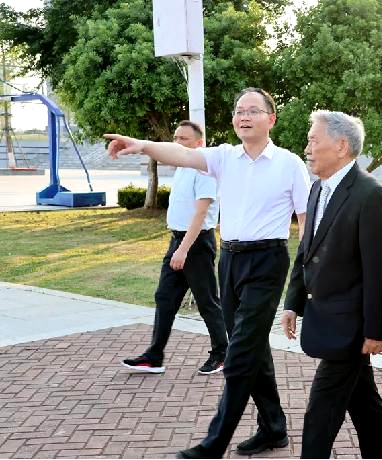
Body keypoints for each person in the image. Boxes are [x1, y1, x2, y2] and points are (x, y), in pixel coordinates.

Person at [106, 87, 311, 458]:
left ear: (271, 118)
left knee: (239, 354)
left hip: (268, 261)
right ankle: (273, 428)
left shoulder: (289, 164)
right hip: (229, 260)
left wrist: (305, 281)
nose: (243, 116)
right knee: (252, 348)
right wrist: (142, 145)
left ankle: (213, 444)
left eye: (252, 110)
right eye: (239, 110)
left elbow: (306, 224)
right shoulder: (224, 157)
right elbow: (183, 154)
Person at [281, 110, 382, 459]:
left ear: (341, 146)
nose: (307, 149)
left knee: (321, 411)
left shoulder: (370, 195)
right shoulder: (318, 187)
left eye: (313, 140)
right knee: (365, 405)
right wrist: (293, 301)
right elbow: (306, 250)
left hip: (350, 327)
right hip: (326, 317)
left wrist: (376, 330)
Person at [121, 120, 227, 375]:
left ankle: (222, 353)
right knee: (165, 297)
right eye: (176, 138)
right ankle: (154, 356)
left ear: (199, 143)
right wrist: (177, 247)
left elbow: (201, 214)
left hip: (196, 244)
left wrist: (183, 250)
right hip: (178, 241)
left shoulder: (204, 170)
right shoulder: (181, 169)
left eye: (184, 139)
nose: (178, 143)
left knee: (206, 301)